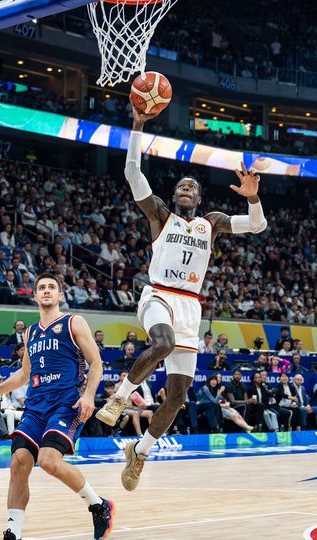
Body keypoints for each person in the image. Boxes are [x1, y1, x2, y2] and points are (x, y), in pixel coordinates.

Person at [95, 106, 268, 492]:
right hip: (158, 295)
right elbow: (132, 174)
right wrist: (138, 127)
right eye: (181, 188)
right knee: (163, 342)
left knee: (176, 397)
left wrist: (253, 198)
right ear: (174, 196)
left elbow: (257, 225)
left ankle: (141, 451)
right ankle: (120, 397)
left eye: (192, 187)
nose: (186, 190)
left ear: (200, 196)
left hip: (191, 305)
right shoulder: (160, 214)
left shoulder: (213, 223)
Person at [0, 273, 113, 540]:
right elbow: (23, 374)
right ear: (35, 295)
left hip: (67, 402)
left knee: (48, 460)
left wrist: (89, 396)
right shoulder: (30, 332)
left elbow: (96, 363)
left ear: (60, 295)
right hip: (36, 405)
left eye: (51, 287)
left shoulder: (74, 322)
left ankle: (98, 505)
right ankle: (13, 531)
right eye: (41, 287)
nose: (46, 291)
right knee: (18, 462)